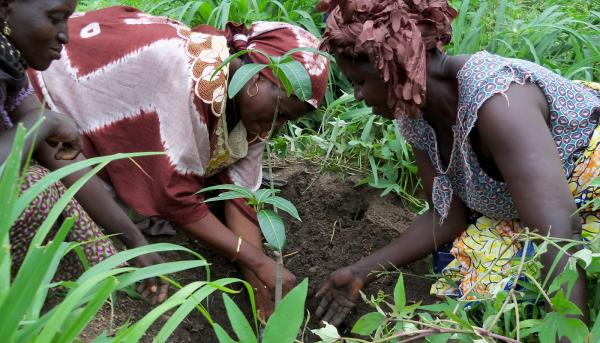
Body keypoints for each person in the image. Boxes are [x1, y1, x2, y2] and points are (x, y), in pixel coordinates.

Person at [29, 6, 330, 318]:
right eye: (280, 113)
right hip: (49, 85)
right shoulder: (189, 76)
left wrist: (262, 290)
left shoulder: (256, 110)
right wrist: (258, 262)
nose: (275, 126)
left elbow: (241, 200)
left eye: (286, 121)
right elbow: (174, 197)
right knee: (102, 217)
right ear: (257, 78)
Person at [314, 0, 599, 327]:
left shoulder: (498, 102)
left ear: (389, 69)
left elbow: (559, 233)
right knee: (458, 292)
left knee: (517, 302)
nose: (357, 97)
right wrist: (359, 272)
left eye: (359, 82)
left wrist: (570, 332)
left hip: (582, 198)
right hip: (527, 216)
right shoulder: (414, 115)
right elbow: (445, 215)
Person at [0, 0, 170, 305]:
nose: (65, 35)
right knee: (33, 188)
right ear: (4, 8)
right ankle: (28, 308)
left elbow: (60, 158)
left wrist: (134, 242)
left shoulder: (9, 65)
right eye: (55, 19)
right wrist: (45, 121)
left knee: (60, 188)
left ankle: (92, 299)